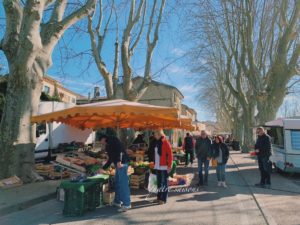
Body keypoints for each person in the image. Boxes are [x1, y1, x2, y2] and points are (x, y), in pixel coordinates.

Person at [99, 134, 131, 212]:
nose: (101, 143)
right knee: (117, 183)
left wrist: (119, 161)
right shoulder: (108, 145)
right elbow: (110, 159)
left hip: (122, 164)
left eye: (101, 141)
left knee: (123, 184)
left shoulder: (113, 140)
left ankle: (127, 204)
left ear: (104, 139)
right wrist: (103, 168)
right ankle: (117, 201)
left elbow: (120, 150)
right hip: (118, 165)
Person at [150, 129, 173, 204]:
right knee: (159, 183)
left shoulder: (165, 142)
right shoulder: (156, 142)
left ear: (159, 134)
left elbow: (170, 154)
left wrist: (170, 165)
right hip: (157, 166)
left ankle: (163, 199)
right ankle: (159, 198)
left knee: (164, 183)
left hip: (163, 166)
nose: (154, 136)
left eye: (155, 134)